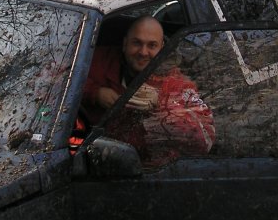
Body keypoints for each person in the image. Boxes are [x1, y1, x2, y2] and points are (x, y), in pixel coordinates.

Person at [82, 16, 214, 167]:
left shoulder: (177, 85)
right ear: (125, 44)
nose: (143, 52)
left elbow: (205, 138)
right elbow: (60, 76)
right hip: (91, 159)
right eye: (137, 43)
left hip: (148, 170)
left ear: (162, 48)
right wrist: (95, 93)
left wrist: (162, 105)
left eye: (152, 45)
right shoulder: (98, 60)